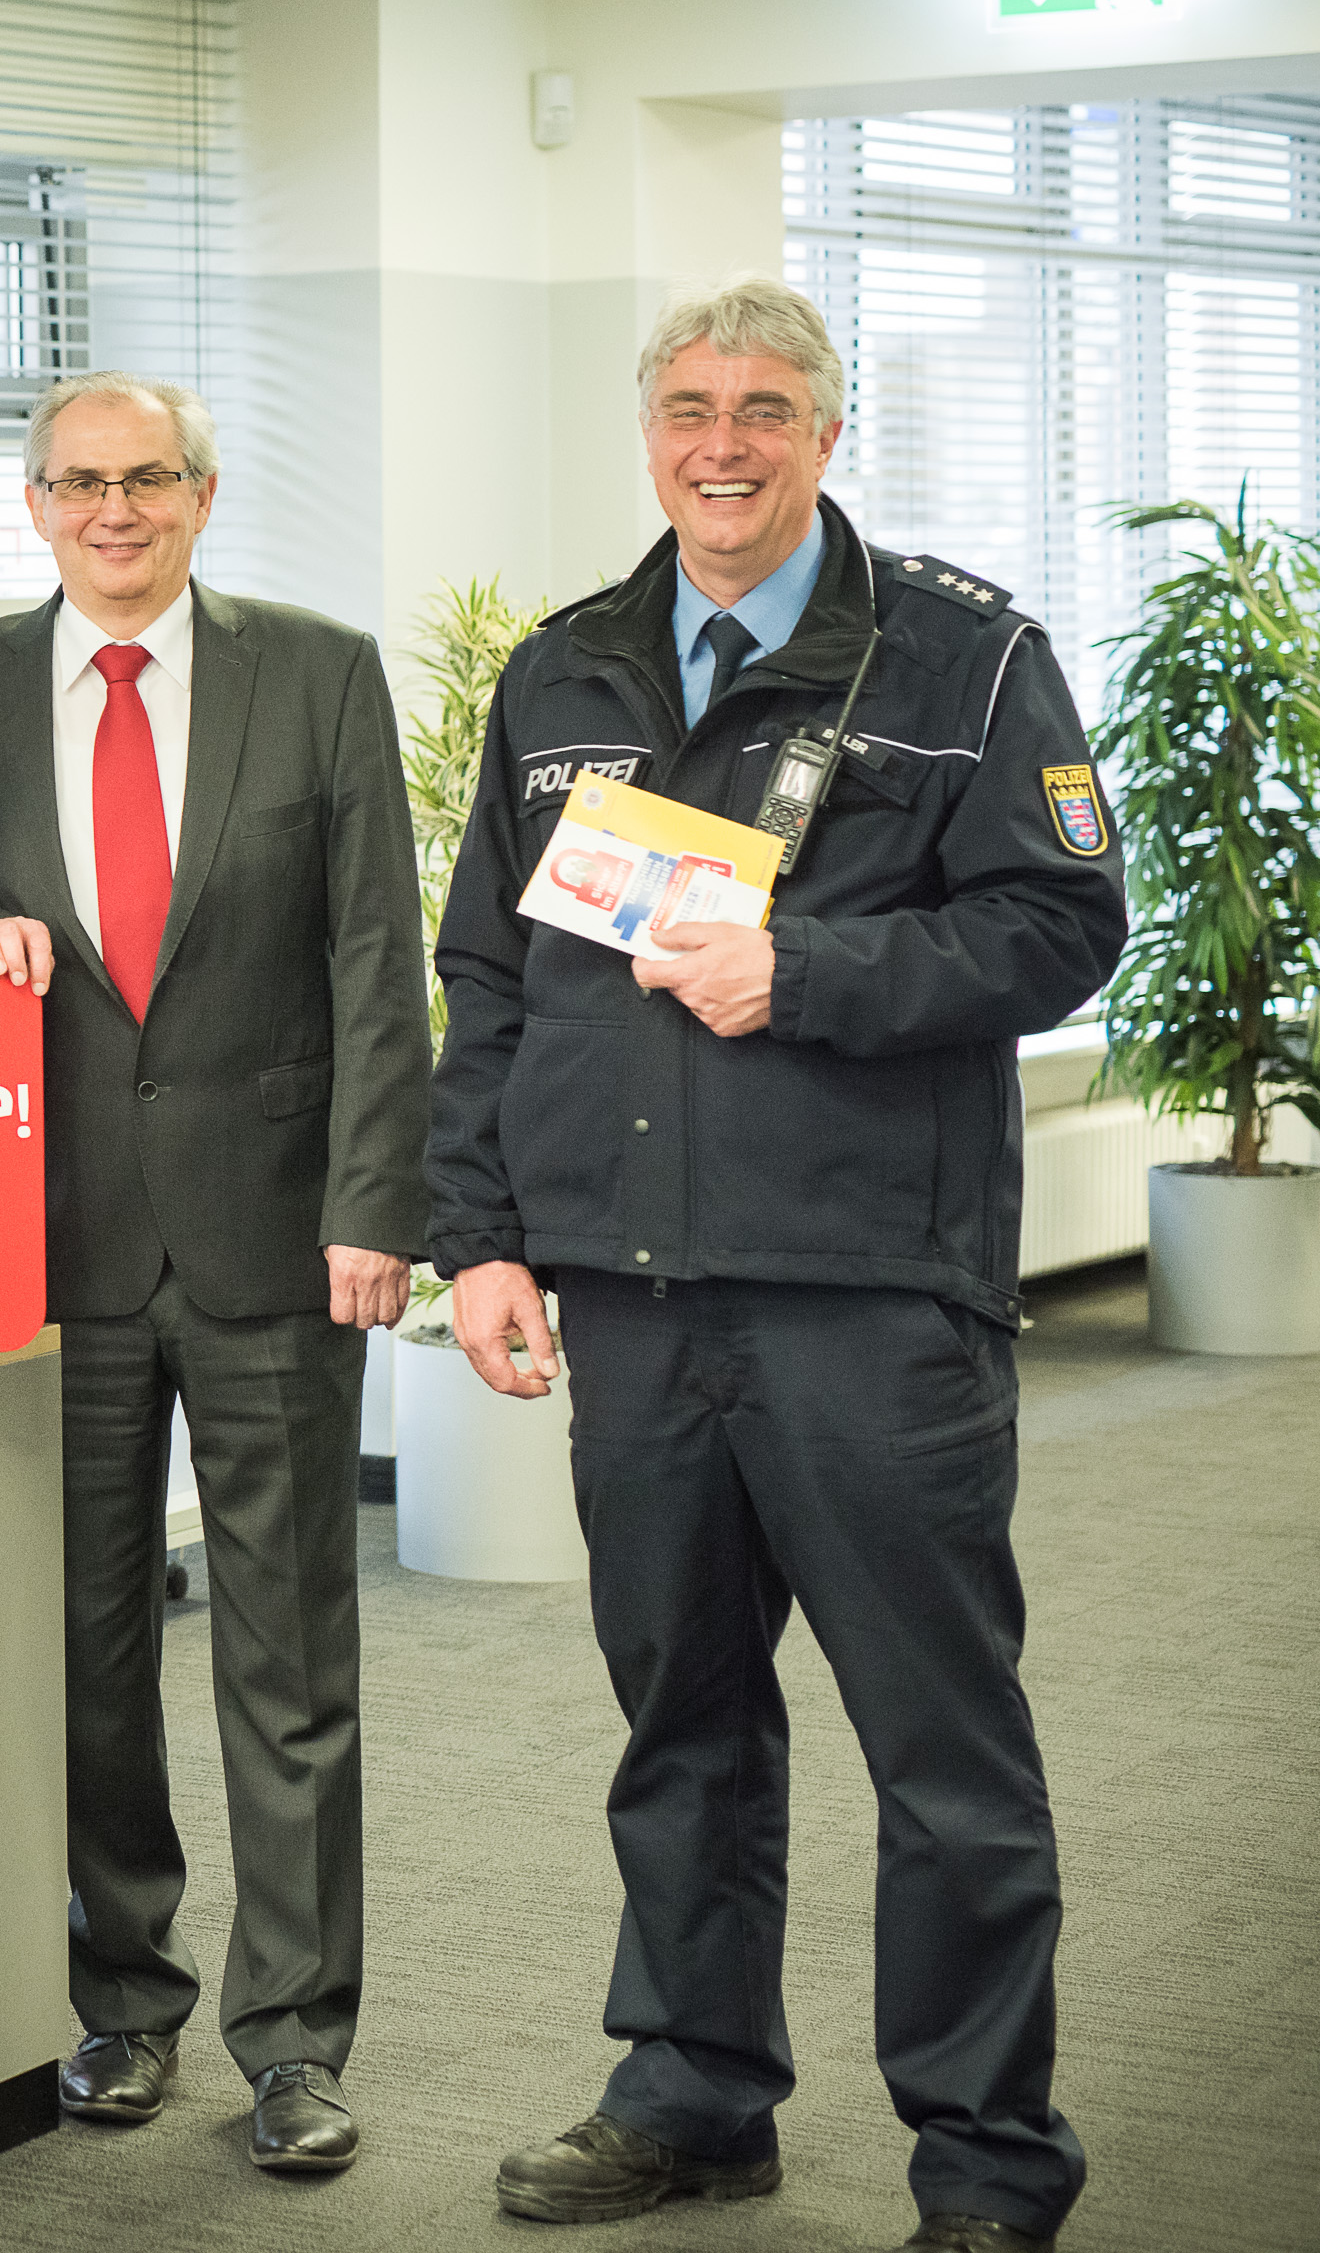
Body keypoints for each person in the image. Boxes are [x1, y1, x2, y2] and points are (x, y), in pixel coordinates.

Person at [428, 278, 1123, 2253]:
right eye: (686, 407)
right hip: (634, 1301)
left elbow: (1062, 923)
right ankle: (691, 2090)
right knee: (684, 1726)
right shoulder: (563, 669)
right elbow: (489, 977)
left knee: (940, 1747)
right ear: (647, 429)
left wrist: (800, 970)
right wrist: (480, 1236)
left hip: (864, 1300)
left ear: (827, 430)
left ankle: (985, 2160)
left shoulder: (964, 658)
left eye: (758, 409)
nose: (717, 445)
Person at [0, 369, 429, 2179]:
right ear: (34, 505)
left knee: (288, 1657)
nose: (115, 510)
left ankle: (296, 2039)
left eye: (147, 477)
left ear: (201, 494)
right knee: (82, 1654)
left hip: (273, 1235)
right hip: (40, 1248)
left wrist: (375, 1203)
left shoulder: (317, 674)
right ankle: (123, 1999)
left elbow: (377, 957)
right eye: (79, 482)